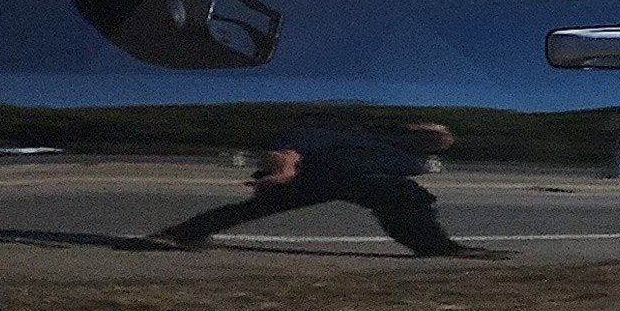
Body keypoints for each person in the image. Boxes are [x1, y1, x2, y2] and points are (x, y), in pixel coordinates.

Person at [153, 115, 473, 259]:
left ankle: (435, 246)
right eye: (431, 136)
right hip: (318, 174)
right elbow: (298, 141)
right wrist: (286, 166)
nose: (437, 142)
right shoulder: (364, 132)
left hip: (360, 180)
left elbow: (440, 140)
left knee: (409, 200)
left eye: (439, 140)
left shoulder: (406, 151)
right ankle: (180, 233)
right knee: (258, 206)